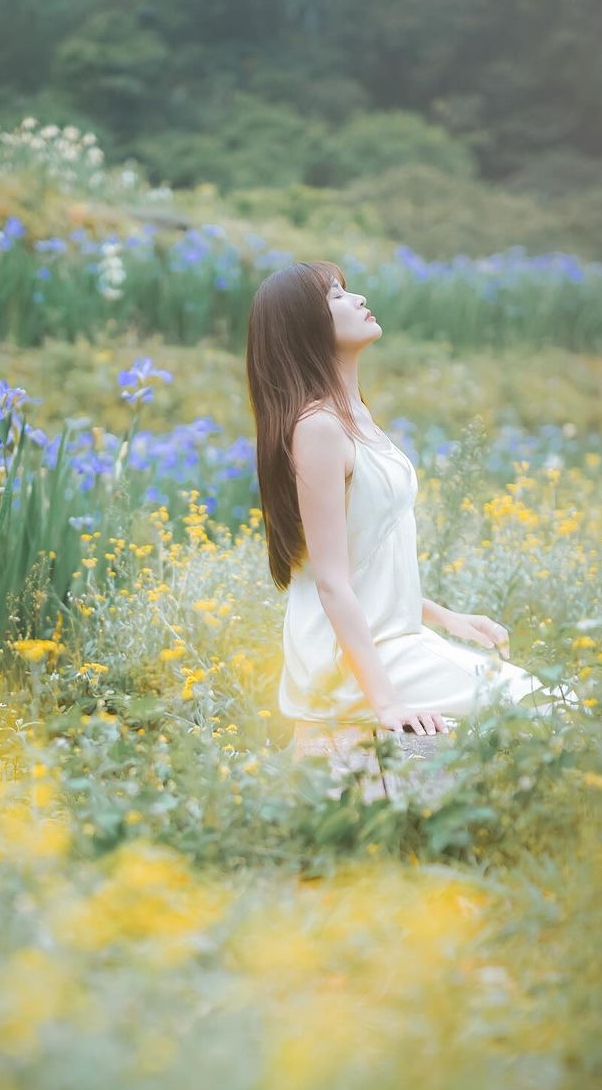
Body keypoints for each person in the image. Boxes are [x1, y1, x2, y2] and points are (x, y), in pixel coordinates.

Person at [245, 260, 573, 766]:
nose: (355, 299)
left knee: (552, 703)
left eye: (347, 290)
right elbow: (331, 582)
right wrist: (388, 702)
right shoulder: (318, 429)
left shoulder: (356, 419)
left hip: (393, 642)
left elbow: (367, 561)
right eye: (334, 297)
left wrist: (448, 617)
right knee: (552, 703)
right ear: (303, 328)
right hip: (350, 659)